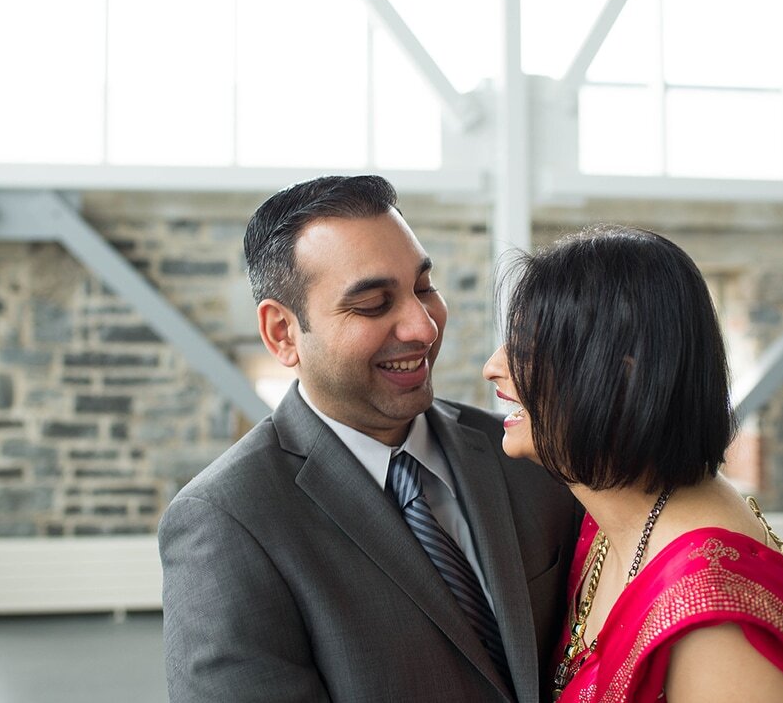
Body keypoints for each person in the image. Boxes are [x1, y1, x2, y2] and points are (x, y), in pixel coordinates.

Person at [159, 175, 583, 703]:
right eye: (375, 303)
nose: (423, 327)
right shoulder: (227, 522)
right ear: (282, 333)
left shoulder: (527, 456)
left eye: (423, 287)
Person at [482, 224, 783, 703]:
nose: (493, 366)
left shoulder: (717, 630)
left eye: (527, 349)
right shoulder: (613, 507)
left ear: (622, 376)